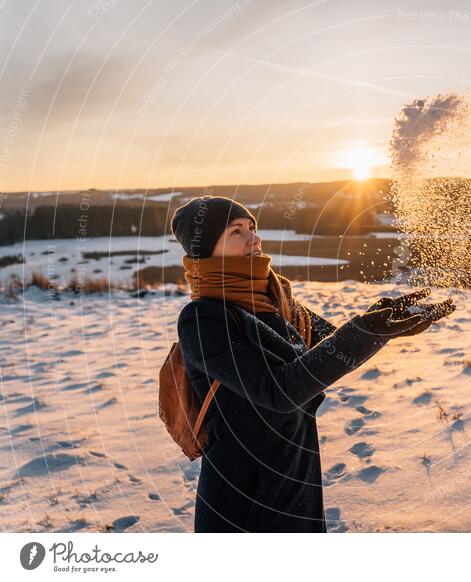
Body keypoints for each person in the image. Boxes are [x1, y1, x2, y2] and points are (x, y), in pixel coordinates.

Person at [170, 195, 455, 532]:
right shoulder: (203, 319)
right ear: (206, 248)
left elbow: (333, 346)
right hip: (243, 494)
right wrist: (365, 331)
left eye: (252, 228)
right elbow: (279, 391)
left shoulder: (277, 299)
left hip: (297, 478)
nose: (254, 239)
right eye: (236, 232)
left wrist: (384, 323)